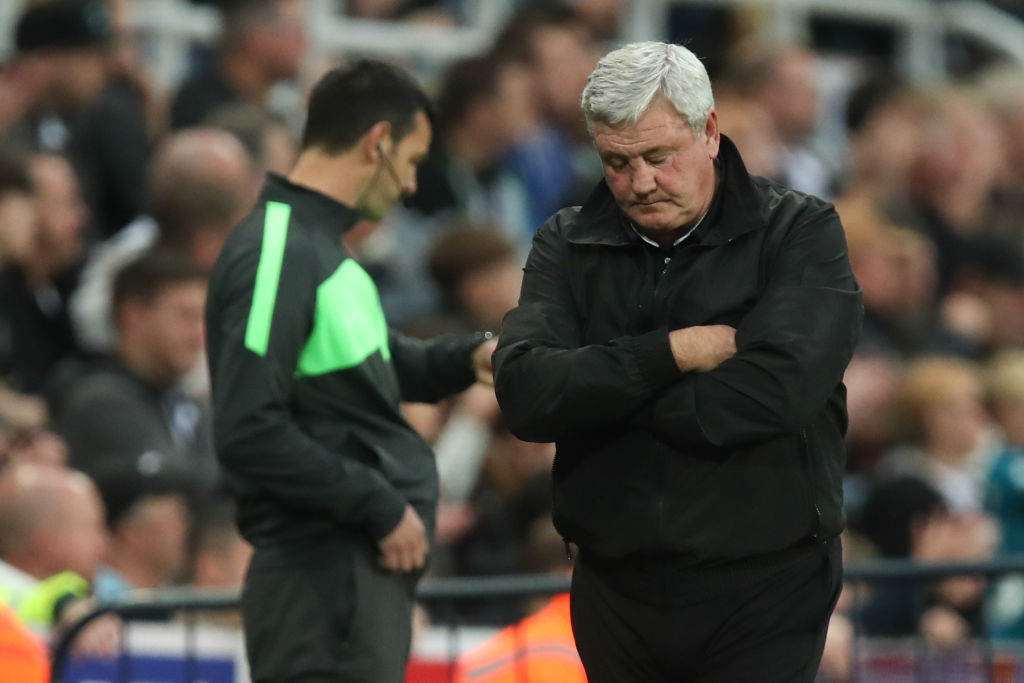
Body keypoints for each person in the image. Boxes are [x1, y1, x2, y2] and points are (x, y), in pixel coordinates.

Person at [493, 41, 863, 682]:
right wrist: (672, 353)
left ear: (710, 132)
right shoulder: (567, 241)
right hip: (615, 587)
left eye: (658, 158)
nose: (640, 184)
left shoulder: (797, 232)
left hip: (766, 583)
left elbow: (781, 390)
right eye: (616, 162)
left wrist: (605, 398)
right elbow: (527, 393)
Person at [205, 59, 496, 683]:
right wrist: (378, 506)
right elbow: (247, 427)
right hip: (322, 583)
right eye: (413, 160)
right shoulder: (278, 250)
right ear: (378, 143)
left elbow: (378, 366)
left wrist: (471, 356)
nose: (412, 185)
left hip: (347, 585)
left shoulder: (321, 253)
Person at [54, 249, 219, 497]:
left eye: (203, 320)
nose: (199, 336)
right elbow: (171, 491)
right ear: (132, 315)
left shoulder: (189, 405)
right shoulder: (99, 401)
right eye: (186, 316)